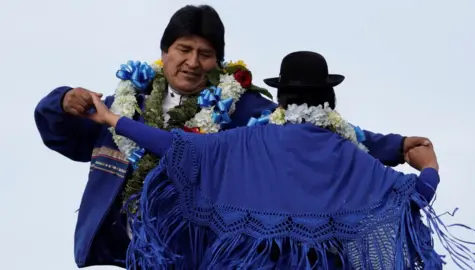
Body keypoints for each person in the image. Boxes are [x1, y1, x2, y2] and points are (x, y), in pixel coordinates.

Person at [34, 6, 429, 269]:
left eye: (204, 54)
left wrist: (394, 145)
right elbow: (62, 134)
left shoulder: (245, 110)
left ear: (219, 61)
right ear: (164, 52)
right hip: (122, 249)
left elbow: (315, 133)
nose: (192, 62)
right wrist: (62, 100)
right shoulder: (120, 106)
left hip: (199, 253)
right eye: (183, 49)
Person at [83, 51, 475, 269]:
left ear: (281, 100)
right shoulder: (350, 158)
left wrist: (112, 118)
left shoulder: (241, 143)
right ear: (330, 103)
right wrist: (430, 165)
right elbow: (414, 198)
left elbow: (170, 145)